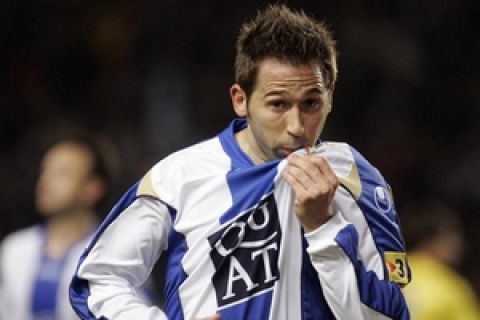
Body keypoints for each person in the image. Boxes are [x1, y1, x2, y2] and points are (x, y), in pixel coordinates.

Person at [70, 5, 411, 320]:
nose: (296, 126)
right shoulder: (178, 177)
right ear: (240, 100)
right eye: (278, 104)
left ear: (330, 96)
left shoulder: (357, 177)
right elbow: (98, 279)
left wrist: (323, 229)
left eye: (311, 103)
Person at [0, 132, 155, 319]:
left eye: (62, 173)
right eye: (44, 171)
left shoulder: (117, 254)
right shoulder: (14, 249)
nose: (46, 181)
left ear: (93, 188)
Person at [402, 201, 480, 320]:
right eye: (452, 236)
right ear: (430, 239)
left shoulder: (387, 273)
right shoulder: (452, 288)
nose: (458, 244)